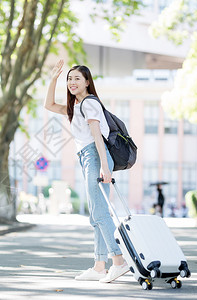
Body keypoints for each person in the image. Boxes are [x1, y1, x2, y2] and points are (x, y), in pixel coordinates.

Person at [44, 59, 129, 283]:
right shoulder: (76, 106)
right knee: (95, 212)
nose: (72, 82)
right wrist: (53, 79)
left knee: (100, 212)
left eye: (77, 79)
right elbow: (49, 106)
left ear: (87, 82)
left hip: (95, 155)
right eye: (69, 79)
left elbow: (96, 137)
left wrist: (103, 165)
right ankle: (99, 266)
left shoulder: (90, 103)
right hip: (86, 158)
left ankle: (118, 262)